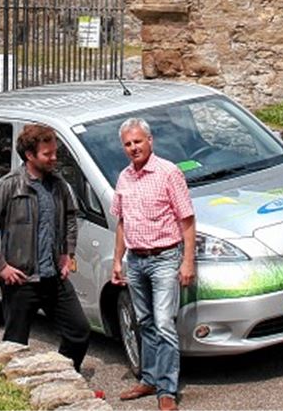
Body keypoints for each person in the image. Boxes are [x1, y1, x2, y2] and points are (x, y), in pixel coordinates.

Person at [0, 123, 90, 371]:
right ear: (29, 155)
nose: (54, 158)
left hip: (53, 277)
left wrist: (67, 253)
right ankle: (14, 389)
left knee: (79, 333)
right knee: (14, 345)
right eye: (47, 154)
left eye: (55, 152)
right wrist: (1, 266)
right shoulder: (10, 185)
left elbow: (70, 217)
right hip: (21, 281)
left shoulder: (58, 184)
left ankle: (61, 376)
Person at [111, 117, 196, 411]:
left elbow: (187, 220)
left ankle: (167, 390)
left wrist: (187, 262)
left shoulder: (168, 172)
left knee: (164, 324)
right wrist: (117, 260)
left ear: (150, 141)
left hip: (164, 258)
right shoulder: (123, 177)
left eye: (138, 141)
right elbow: (122, 221)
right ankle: (149, 378)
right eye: (128, 144)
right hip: (136, 260)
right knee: (144, 322)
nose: (133, 147)